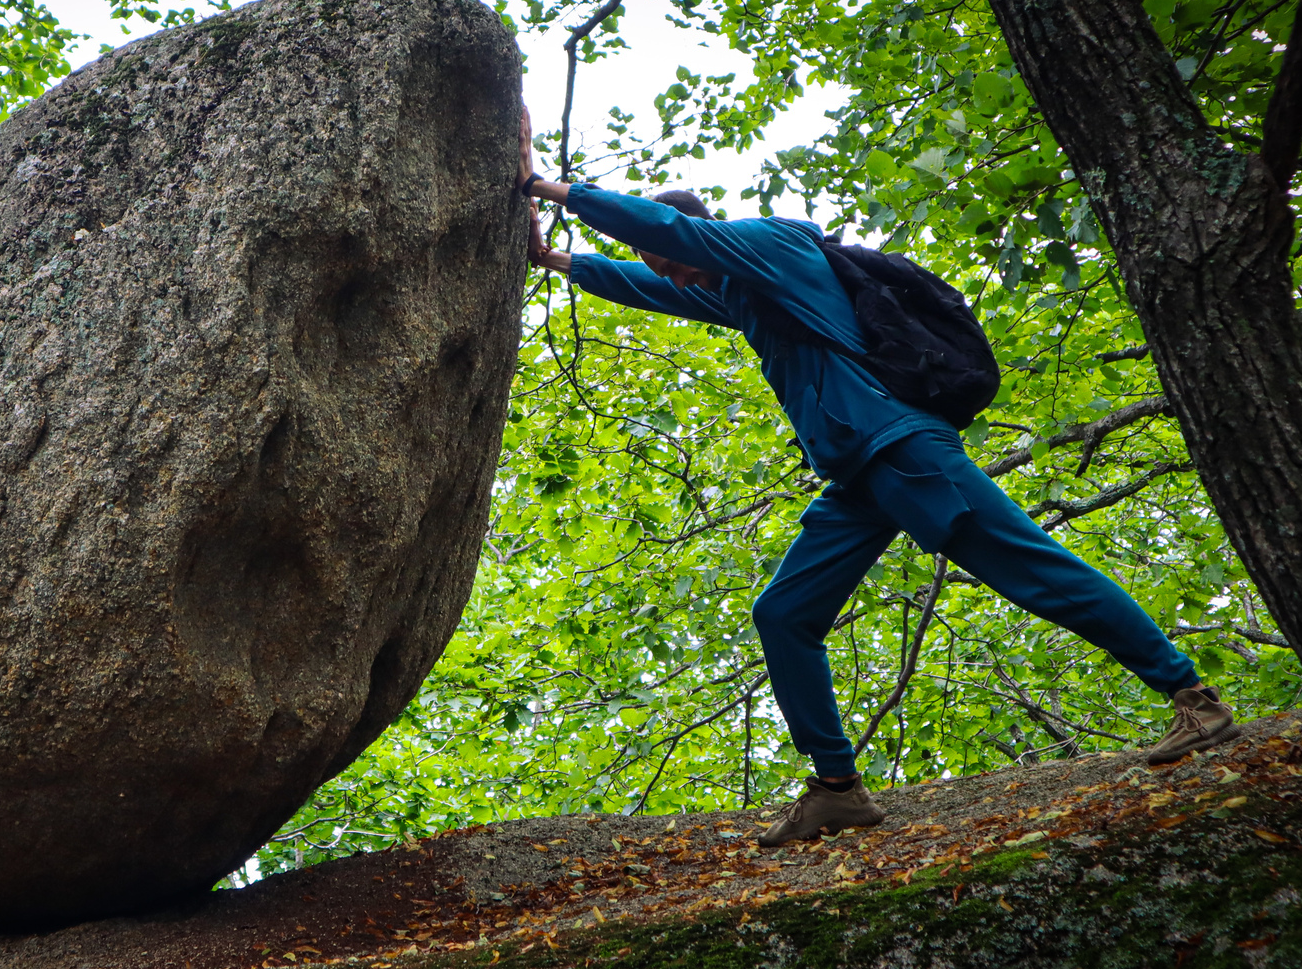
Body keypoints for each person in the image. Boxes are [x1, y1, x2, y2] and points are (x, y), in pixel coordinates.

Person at [513, 111, 1240, 847]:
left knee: (1034, 570)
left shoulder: (768, 247)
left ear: (699, 233)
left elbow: (671, 244)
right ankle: (837, 789)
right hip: (859, 476)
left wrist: (549, 187)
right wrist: (556, 262)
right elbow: (652, 284)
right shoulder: (739, 290)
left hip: (902, 450)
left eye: (676, 258)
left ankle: (1192, 696)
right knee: (785, 615)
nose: (675, 275)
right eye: (668, 266)